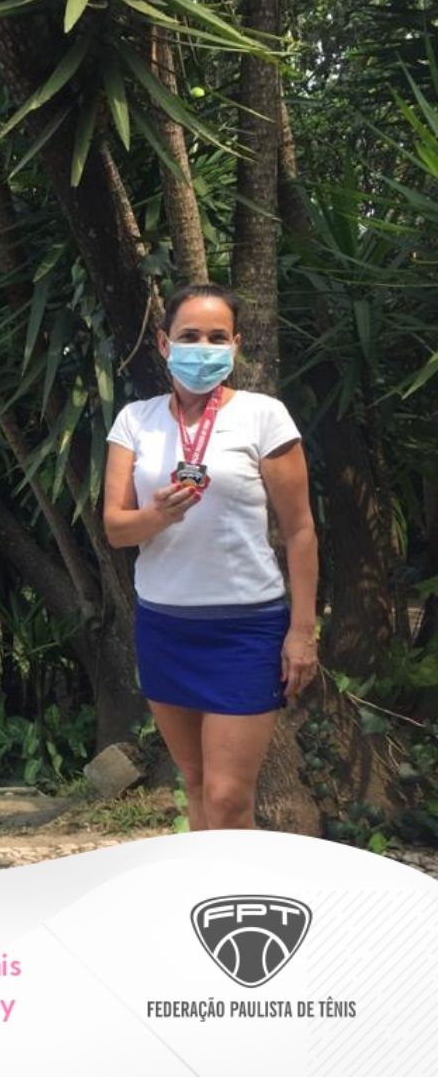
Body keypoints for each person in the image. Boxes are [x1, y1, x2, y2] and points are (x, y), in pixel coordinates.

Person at [103, 282, 318, 830]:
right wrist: (157, 516)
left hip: (244, 629)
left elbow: (299, 531)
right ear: (164, 343)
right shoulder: (135, 420)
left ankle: (239, 884)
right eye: (190, 335)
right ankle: (203, 884)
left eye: (218, 337)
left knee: (227, 796)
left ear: (236, 345)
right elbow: (116, 529)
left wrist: (302, 632)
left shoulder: (264, 417)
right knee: (195, 783)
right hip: (165, 626)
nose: (204, 348)